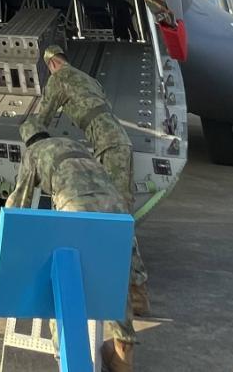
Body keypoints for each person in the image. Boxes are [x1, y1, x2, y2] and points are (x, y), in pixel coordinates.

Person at [7, 119, 136, 372]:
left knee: (61, 281)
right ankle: (123, 354)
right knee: (114, 276)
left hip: (75, 207)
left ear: (28, 141)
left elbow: (20, 201)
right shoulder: (73, 145)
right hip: (115, 205)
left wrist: (9, 244)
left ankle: (65, 357)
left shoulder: (33, 153)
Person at [37, 45, 149, 314]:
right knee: (119, 217)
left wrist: (34, 142)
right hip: (117, 142)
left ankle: (135, 290)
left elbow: (43, 118)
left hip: (109, 146)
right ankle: (136, 290)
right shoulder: (88, 78)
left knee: (117, 219)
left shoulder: (59, 78)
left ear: (51, 64)